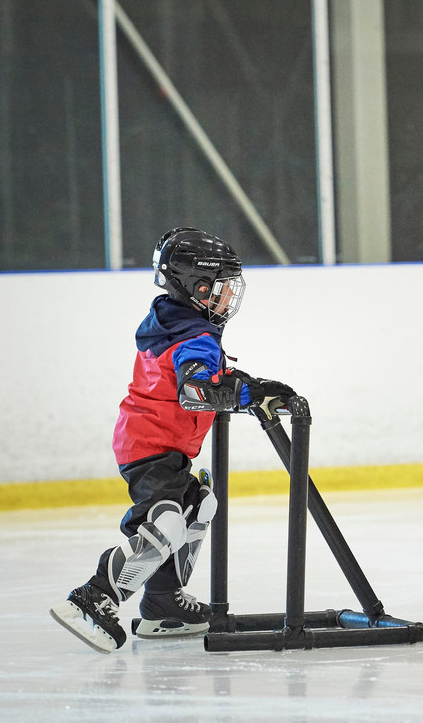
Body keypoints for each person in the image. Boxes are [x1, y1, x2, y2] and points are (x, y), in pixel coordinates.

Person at [50, 227, 294, 653]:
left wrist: (249, 386)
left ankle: (163, 604)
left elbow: (206, 378)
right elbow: (196, 390)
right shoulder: (194, 335)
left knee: (199, 505)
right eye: (219, 287)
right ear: (195, 286)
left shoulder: (175, 321)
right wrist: (250, 394)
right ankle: (92, 598)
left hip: (162, 444)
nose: (227, 297)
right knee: (165, 523)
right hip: (150, 446)